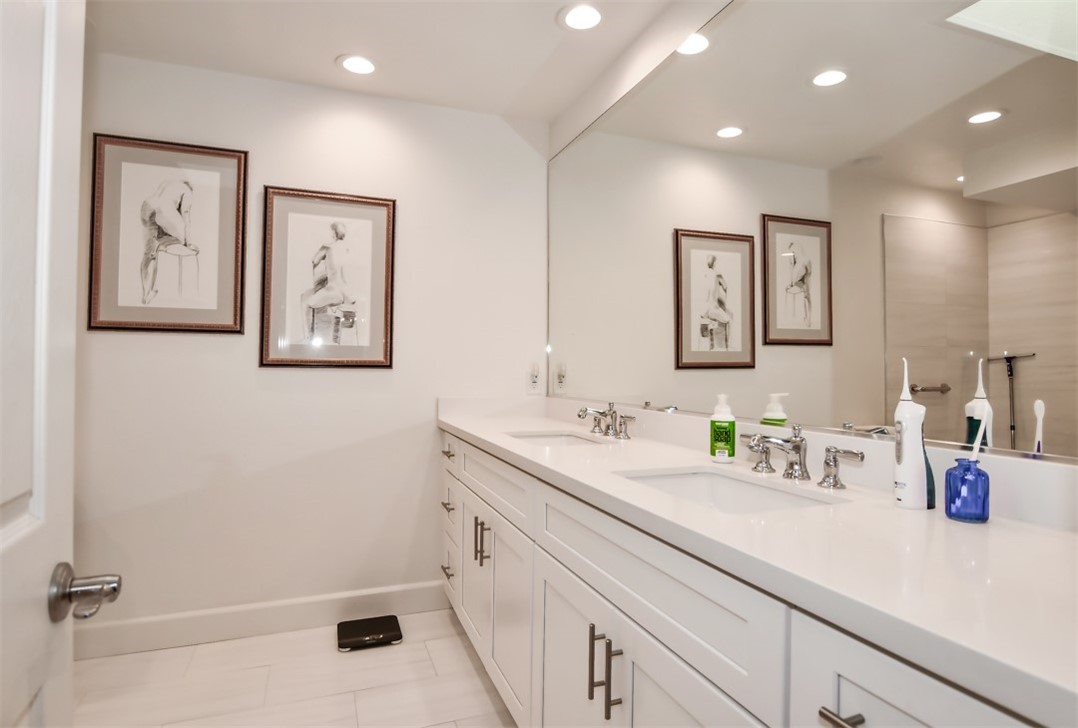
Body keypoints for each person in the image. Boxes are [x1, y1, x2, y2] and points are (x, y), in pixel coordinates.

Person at [139, 179, 198, 304]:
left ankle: (146, 294)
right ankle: (159, 245)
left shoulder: (169, 183)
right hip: (163, 209)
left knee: (147, 255)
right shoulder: (187, 191)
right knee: (181, 240)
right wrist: (189, 241)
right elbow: (185, 213)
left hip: (147, 206)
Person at [300, 221, 359, 341]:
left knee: (305, 301)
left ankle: (308, 337)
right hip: (348, 294)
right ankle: (335, 333)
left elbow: (314, 261)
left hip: (334, 291)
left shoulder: (327, 247)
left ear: (333, 232)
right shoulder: (348, 249)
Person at [700, 254, 732, 350]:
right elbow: (726, 287)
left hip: (704, 309)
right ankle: (727, 346)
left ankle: (710, 341)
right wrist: (723, 296)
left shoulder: (704, 274)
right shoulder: (717, 274)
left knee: (709, 322)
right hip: (713, 308)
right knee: (728, 320)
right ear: (714, 263)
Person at [785, 241, 812, 325]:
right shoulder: (794, 263)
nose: (793, 255)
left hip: (803, 289)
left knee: (805, 303)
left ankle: (807, 321)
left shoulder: (806, 260)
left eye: (793, 252)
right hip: (796, 290)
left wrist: (799, 285)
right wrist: (790, 285)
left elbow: (808, 275)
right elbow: (793, 277)